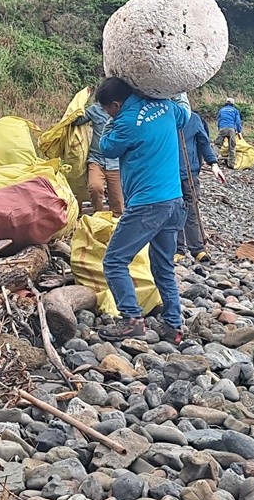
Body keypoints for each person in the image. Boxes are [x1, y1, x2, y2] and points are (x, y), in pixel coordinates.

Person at [95, 77, 189, 344]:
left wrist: (109, 123)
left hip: (147, 205)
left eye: (107, 110)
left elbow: (106, 148)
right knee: (163, 266)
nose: (107, 114)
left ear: (116, 105)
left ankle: (132, 320)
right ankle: (173, 326)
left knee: (114, 261)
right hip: (174, 202)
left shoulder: (126, 122)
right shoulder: (166, 107)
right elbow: (185, 115)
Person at [176, 112, 226, 264]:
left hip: (189, 173)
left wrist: (213, 164)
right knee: (174, 210)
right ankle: (178, 249)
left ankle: (198, 249)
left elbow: (204, 142)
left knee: (191, 209)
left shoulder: (194, 118)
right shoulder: (163, 116)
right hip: (167, 174)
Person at [74, 101, 124, 216]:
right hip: (96, 159)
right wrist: (77, 105)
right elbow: (76, 121)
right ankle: (98, 215)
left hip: (115, 162)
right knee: (95, 187)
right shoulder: (95, 109)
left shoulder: (123, 110)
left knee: (117, 201)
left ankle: (116, 221)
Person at [215, 98, 243, 169]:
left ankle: (213, 162)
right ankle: (231, 164)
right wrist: (239, 131)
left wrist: (219, 128)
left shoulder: (222, 110)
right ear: (233, 104)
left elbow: (218, 120)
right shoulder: (235, 111)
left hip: (222, 128)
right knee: (232, 147)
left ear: (226, 103)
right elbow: (238, 122)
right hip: (231, 129)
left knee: (217, 145)